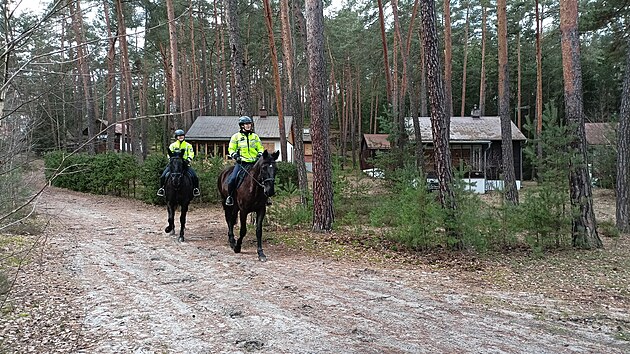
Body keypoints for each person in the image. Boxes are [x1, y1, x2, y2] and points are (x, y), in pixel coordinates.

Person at [225, 116, 271, 206]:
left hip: (254, 163)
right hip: (242, 163)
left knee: (265, 178)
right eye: (246, 124)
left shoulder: (255, 137)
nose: (248, 126)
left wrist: (259, 154)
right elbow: (231, 149)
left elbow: (260, 147)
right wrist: (235, 156)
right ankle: (230, 197)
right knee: (233, 179)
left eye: (249, 124)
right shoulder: (236, 137)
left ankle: (266, 197)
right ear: (242, 125)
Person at [157, 129, 201, 197]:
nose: (181, 137)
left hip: (185, 165)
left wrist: (188, 159)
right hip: (174, 165)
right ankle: (162, 189)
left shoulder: (188, 145)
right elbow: (169, 154)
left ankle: (195, 189)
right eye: (179, 136)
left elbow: (191, 153)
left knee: (194, 176)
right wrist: (171, 160)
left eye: (182, 136)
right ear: (176, 137)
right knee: (163, 176)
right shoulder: (173, 145)